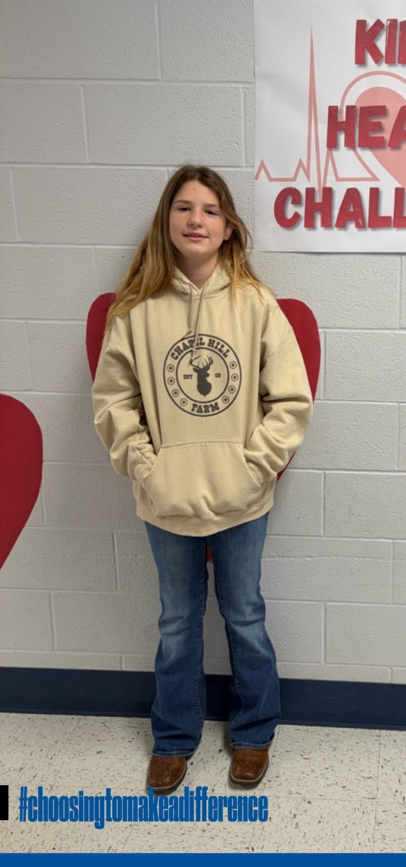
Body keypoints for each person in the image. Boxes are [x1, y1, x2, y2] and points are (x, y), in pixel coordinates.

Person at [92, 165, 313, 795]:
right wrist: (147, 467)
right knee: (175, 622)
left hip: (243, 498)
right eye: (184, 208)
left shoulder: (255, 304)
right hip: (165, 501)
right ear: (167, 221)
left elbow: (291, 401)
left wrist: (254, 466)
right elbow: (113, 403)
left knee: (245, 614)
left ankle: (253, 732)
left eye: (211, 210)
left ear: (228, 227)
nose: (197, 220)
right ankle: (174, 738)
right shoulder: (135, 310)